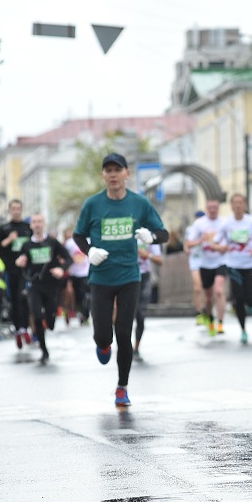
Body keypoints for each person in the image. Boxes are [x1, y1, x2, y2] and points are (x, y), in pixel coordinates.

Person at [73, 153, 168, 407]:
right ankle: (103, 346)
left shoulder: (139, 204)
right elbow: (78, 235)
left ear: (127, 174)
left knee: (124, 332)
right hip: (101, 278)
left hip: (129, 276)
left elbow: (164, 233)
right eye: (108, 171)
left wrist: (151, 237)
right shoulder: (93, 204)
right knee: (103, 335)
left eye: (117, 170)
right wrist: (89, 251)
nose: (113, 175)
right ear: (103, 176)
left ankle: (122, 387)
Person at [16, 213, 72, 363]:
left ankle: (50, 321)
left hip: (52, 286)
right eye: (34, 222)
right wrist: (20, 262)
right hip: (35, 285)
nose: (37, 224)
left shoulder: (52, 242)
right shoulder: (27, 245)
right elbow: (22, 260)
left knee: (50, 318)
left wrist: (61, 269)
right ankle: (43, 349)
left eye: (40, 221)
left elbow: (68, 258)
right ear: (31, 225)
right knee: (37, 315)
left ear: (44, 224)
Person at [220, 193, 252, 344]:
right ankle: (243, 329)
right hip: (233, 264)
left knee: (250, 297)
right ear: (231, 206)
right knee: (238, 298)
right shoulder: (226, 224)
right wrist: (220, 247)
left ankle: (251, 304)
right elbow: (217, 243)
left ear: (244, 205)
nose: (238, 205)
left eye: (240, 202)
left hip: (249, 263)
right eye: (235, 203)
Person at [185, 200, 228, 337]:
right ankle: (209, 318)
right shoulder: (199, 224)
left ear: (218, 208)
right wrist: (200, 241)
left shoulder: (224, 223)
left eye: (215, 207)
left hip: (220, 261)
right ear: (206, 208)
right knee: (208, 297)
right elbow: (188, 243)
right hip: (204, 263)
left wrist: (221, 248)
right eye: (210, 208)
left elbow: (229, 243)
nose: (213, 210)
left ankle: (221, 322)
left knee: (219, 291)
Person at [0, 199, 34, 349]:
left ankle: (26, 329)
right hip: (10, 271)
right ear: (9, 211)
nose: (16, 211)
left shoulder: (27, 227)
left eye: (19, 208)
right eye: (13, 209)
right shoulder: (4, 228)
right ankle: (18, 330)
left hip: (25, 271)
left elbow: (34, 245)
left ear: (22, 210)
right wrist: (9, 240)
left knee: (24, 298)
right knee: (14, 301)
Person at [133, 236, 163, 360]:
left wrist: (147, 255)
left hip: (144, 277)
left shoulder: (147, 236)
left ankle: (136, 347)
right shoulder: (126, 231)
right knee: (124, 314)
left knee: (140, 313)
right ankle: (123, 344)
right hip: (126, 276)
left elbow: (160, 260)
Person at [63, 228, 91, 325]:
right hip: (73, 274)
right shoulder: (69, 243)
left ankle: (85, 314)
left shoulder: (89, 240)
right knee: (76, 295)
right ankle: (75, 311)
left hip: (86, 273)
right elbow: (64, 256)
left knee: (86, 295)